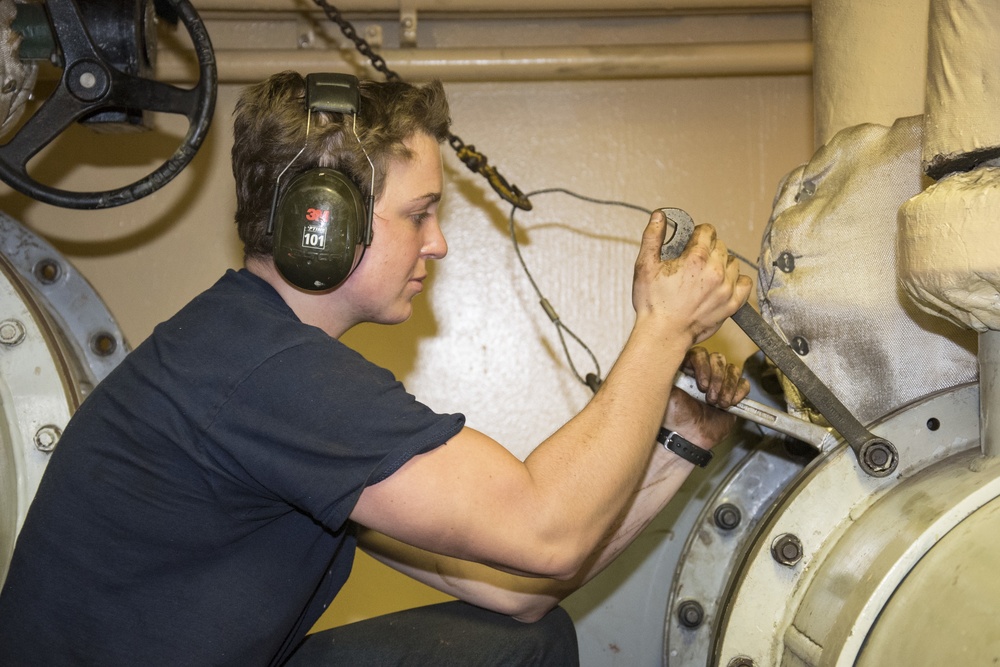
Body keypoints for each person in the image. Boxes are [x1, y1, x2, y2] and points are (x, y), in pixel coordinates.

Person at [0, 71, 752, 666]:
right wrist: (660, 330)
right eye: (419, 213)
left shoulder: (251, 352)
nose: (438, 244)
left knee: (524, 643)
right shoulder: (266, 372)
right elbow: (544, 530)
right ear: (322, 219)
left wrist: (681, 435)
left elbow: (520, 591)